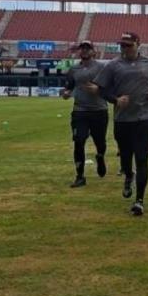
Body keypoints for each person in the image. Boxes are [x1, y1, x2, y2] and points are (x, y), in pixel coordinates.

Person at [89, 32, 148, 216]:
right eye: (122, 45)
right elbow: (101, 90)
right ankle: (128, 175)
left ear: (138, 44)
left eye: (128, 45)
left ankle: (139, 200)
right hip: (123, 119)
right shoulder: (112, 65)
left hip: (145, 117)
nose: (124, 49)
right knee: (125, 156)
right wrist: (116, 100)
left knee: (141, 157)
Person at [61, 41, 108, 188]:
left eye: (88, 49)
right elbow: (68, 87)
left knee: (100, 142)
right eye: (82, 49)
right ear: (79, 52)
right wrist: (66, 93)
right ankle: (80, 176)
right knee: (79, 141)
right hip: (80, 110)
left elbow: (110, 86)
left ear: (94, 52)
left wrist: (98, 89)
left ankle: (100, 157)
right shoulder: (74, 69)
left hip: (99, 110)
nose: (85, 51)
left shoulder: (102, 67)